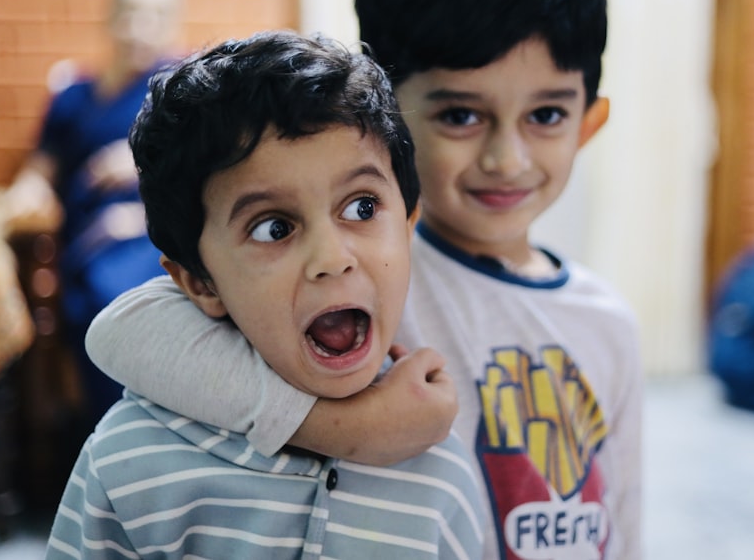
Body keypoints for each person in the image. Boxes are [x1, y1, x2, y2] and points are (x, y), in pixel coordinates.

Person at [87, 0, 642, 559]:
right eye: (460, 114)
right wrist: (347, 426)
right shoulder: (371, 265)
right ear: (387, 123)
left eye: (546, 113)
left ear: (588, 122)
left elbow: (621, 520)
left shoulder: (609, 323)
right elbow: (126, 332)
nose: (506, 158)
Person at [46, 30, 485, 559]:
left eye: (363, 207)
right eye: (274, 227)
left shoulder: (439, 469)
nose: (332, 257)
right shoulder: (128, 460)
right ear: (200, 281)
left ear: (409, 223)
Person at [4, 0, 186, 425]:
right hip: (88, 240)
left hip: (155, 234)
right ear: (109, 16)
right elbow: (40, 167)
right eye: (128, 12)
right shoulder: (73, 96)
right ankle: (105, 430)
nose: (138, 28)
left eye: (154, 15)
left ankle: (152, 427)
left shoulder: (182, 98)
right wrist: (28, 190)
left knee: (142, 297)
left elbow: (206, 177)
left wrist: (140, 173)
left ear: (173, 23)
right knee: (97, 298)